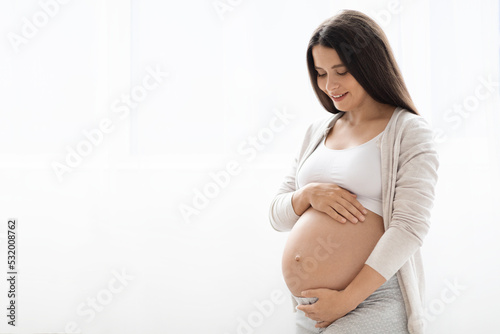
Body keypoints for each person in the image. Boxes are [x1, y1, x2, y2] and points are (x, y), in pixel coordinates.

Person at [268, 9, 439, 334]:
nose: (329, 85)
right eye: (319, 73)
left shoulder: (408, 131)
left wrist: (347, 299)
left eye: (341, 71)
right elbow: (278, 216)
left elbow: (410, 227)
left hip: (372, 299)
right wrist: (308, 195)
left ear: (369, 65)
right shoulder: (317, 132)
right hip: (311, 309)